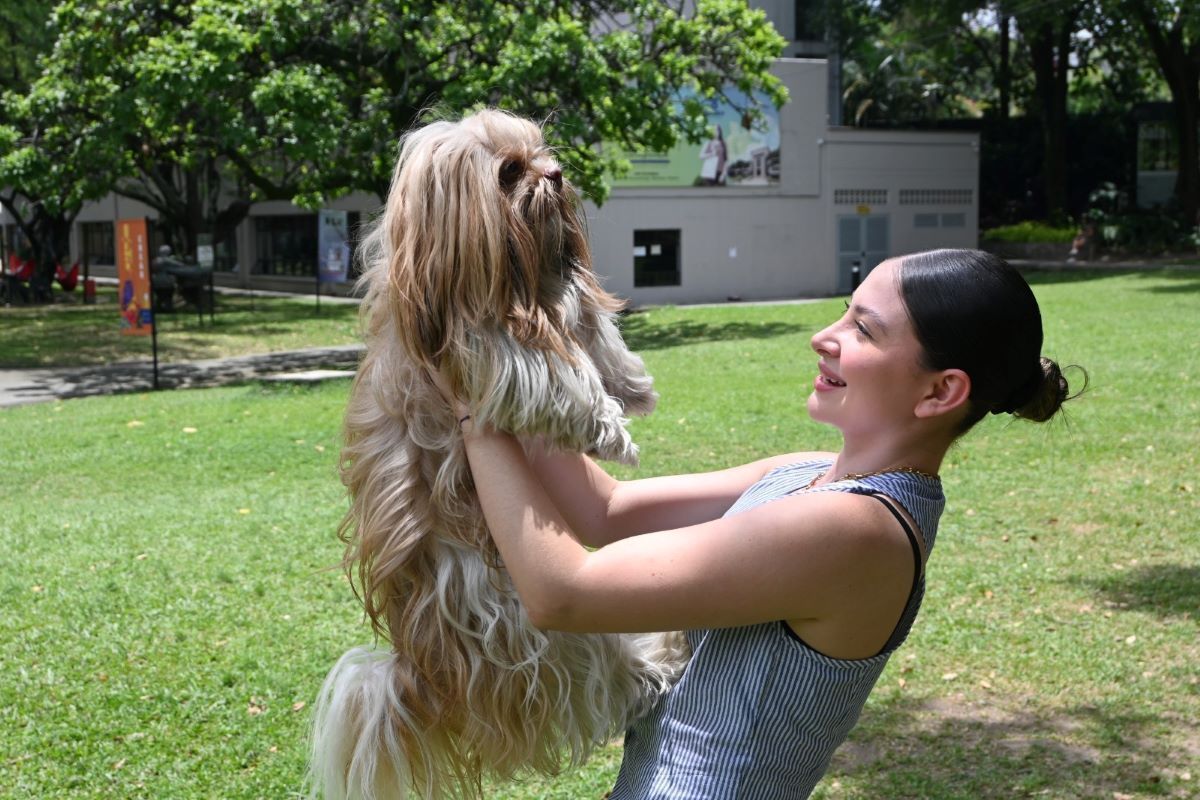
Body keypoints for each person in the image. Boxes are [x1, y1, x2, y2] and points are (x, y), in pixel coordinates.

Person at [431, 248, 1079, 798]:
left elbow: (563, 593)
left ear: (941, 392)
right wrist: (509, 373)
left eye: (864, 330)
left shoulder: (859, 534)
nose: (824, 336)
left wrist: (475, 415)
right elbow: (606, 513)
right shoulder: (810, 473)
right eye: (844, 311)